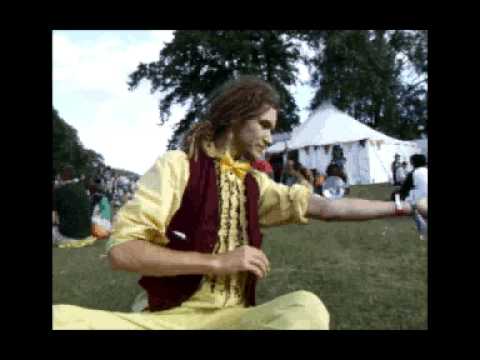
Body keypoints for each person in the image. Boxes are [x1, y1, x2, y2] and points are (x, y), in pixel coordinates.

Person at [53, 76, 426, 330]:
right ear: (234, 117)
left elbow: (327, 207)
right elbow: (123, 252)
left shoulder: (255, 185)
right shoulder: (178, 167)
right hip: (168, 319)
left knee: (305, 308)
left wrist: (406, 207)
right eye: (263, 125)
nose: (269, 135)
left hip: (234, 320)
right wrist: (218, 261)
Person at [52, 165, 96, 248]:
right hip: (87, 234)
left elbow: (53, 217)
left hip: (69, 235)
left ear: (62, 176)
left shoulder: (58, 191)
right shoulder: (82, 189)